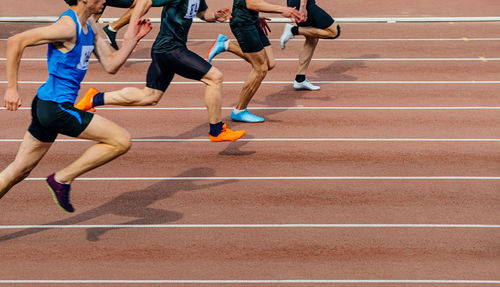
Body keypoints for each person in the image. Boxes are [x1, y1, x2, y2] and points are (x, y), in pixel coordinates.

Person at [0, 0, 152, 212]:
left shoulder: (89, 23)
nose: (105, 0)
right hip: (55, 108)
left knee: (18, 171)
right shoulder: (67, 27)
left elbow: (111, 64)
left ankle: (62, 179)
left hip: (48, 105)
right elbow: (16, 41)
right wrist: (12, 89)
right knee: (121, 140)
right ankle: (62, 178)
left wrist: (133, 38)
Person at [75, 0, 246, 142]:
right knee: (215, 77)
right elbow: (144, 1)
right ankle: (217, 130)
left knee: (149, 97)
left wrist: (214, 16)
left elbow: (202, 12)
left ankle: (95, 98)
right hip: (170, 49)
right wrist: (131, 30)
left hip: (166, 49)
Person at [205, 0, 304, 123]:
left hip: (252, 21)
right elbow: (251, 3)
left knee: (269, 63)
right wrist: (282, 9)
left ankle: (227, 45)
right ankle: (239, 111)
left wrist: (255, 15)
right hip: (243, 24)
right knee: (260, 68)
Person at [280, 0, 340, 91]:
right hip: (303, 4)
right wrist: (303, 6)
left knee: (312, 38)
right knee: (334, 31)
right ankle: (293, 30)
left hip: (296, 3)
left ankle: (300, 79)